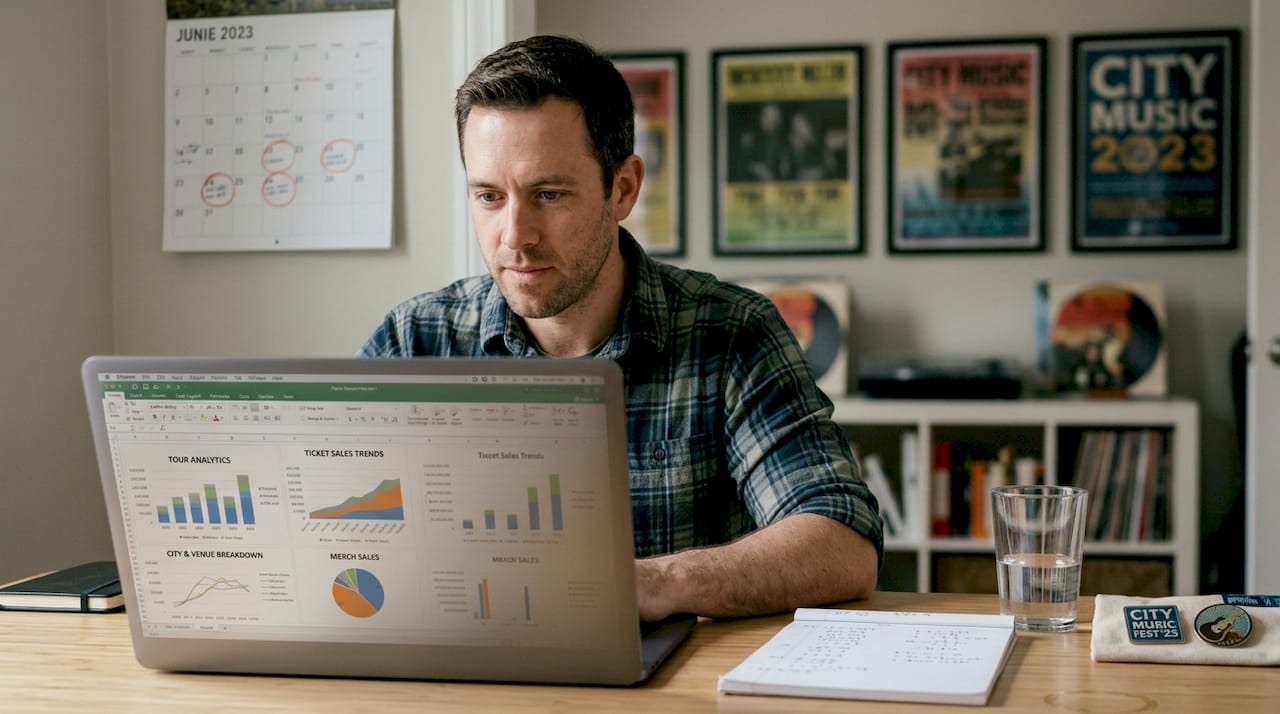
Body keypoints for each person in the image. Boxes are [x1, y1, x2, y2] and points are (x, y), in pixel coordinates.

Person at [361, 35, 883, 621]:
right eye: (489, 196)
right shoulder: (414, 342)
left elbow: (843, 544)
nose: (515, 235)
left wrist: (659, 583)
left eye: (549, 194)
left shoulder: (732, 334)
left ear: (623, 189)